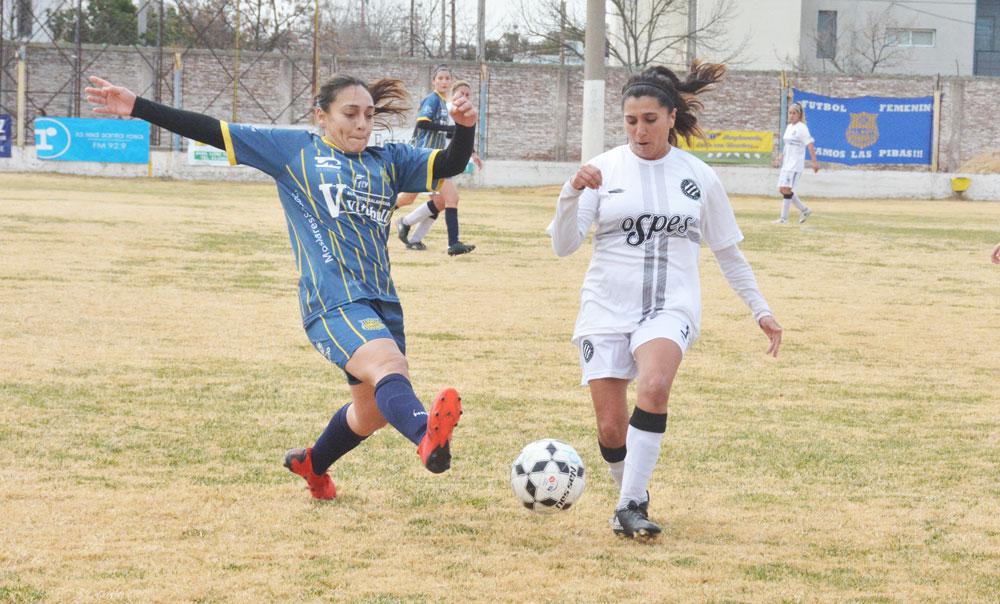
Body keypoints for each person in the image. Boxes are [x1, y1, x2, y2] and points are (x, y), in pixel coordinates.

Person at [84, 72, 477, 500]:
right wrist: (138, 106)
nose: (362, 123)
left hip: (382, 301)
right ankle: (426, 435)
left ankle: (314, 465)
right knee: (390, 368)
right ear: (321, 116)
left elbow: (452, 164)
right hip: (331, 301)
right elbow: (213, 130)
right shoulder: (294, 151)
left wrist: (465, 126)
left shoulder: (389, 160)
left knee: (371, 414)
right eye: (350, 113)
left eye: (368, 114)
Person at [548, 61, 783, 539]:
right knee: (612, 430)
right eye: (631, 121)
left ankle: (631, 503)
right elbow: (563, 244)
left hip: (670, 306)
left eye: (650, 120)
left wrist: (760, 308)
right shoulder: (604, 170)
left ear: (672, 117)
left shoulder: (699, 176)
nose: (639, 130)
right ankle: (629, 496)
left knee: (654, 386)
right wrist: (570, 193)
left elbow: (727, 253)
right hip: (605, 307)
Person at [395, 65, 476, 255]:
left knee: (432, 202)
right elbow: (422, 122)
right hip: (425, 156)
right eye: (440, 78)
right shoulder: (432, 99)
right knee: (451, 198)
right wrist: (451, 130)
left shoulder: (444, 103)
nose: (444, 82)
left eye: (447, 78)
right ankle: (452, 244)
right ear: (434, 81)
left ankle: (410, 233)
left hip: (434, 158)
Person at [774, 102, 818, 224]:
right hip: (786, 164)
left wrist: (814, 162)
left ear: (799, 115)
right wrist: (780, 157)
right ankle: (805, 210)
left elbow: (809, 145)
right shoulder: (789, 127)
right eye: (790, 113)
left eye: (794, 113)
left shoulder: (802, 128)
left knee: (786, 188)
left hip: (795, 164)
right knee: (782, 189)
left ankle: (784, 218)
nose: (791, 115)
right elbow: (787, 145)